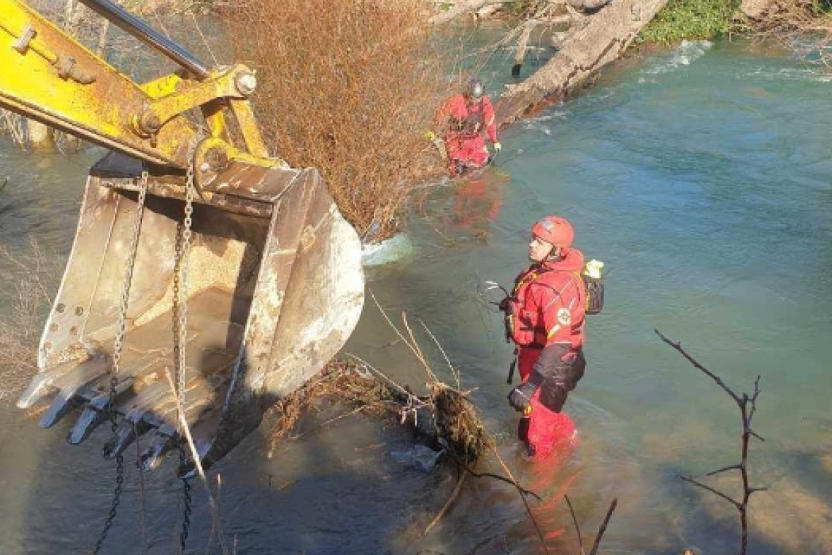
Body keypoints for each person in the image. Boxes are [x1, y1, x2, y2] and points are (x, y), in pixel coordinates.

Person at [503, 216, 587, 458]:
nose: (531, 245)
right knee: (537, 417)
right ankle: (569, 438)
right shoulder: (542, 270)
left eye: (539, 242)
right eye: (533, 239)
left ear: (556, 250)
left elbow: (559, 343)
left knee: (537, 441)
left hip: (553, 366)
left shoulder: (554, 287)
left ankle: (543, 487)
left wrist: (529, 386)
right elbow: (531, 305)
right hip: (536, 357)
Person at [434, 77, 501, 177]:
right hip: (456, 138)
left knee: (487, 161)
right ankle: (461, 186)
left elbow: (490, 122)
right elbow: (441, 114)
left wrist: (495, 141)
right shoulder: (457, 100)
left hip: (475, 138)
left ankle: (495, 176)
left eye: (478, 99)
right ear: (468, 94)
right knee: (458, 168)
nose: (476, 102)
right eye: (473, 98)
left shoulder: (485, 103)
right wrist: (435, 132)